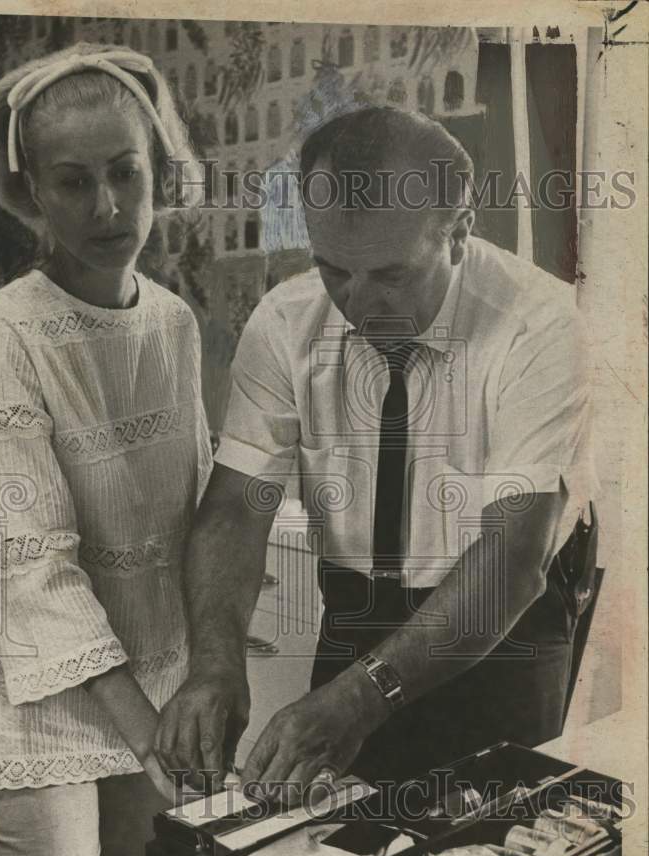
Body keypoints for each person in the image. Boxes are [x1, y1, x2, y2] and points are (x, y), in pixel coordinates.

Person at [155, 107, 599, 797]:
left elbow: (511, 561)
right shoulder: (284, 320)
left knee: (489, 845)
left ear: (457, 233)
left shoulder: (541, 325)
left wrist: (361, 699)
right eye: (333, 269)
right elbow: (237, 509)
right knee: (326, 845)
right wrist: (214, 666)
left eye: (389, 276)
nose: (356, 306)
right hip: (358, 609)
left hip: (504, 621)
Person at [0, 43, 212, 856]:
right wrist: (150, 737)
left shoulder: (172, 322)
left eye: (125, 173)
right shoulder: (4, 335)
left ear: (156, 169)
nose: (106, 208)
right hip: (40, 703)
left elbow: (193, 516)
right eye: (72, 182)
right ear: (32, 195)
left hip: (153, 686)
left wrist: (198, 691)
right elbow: (35, 566)